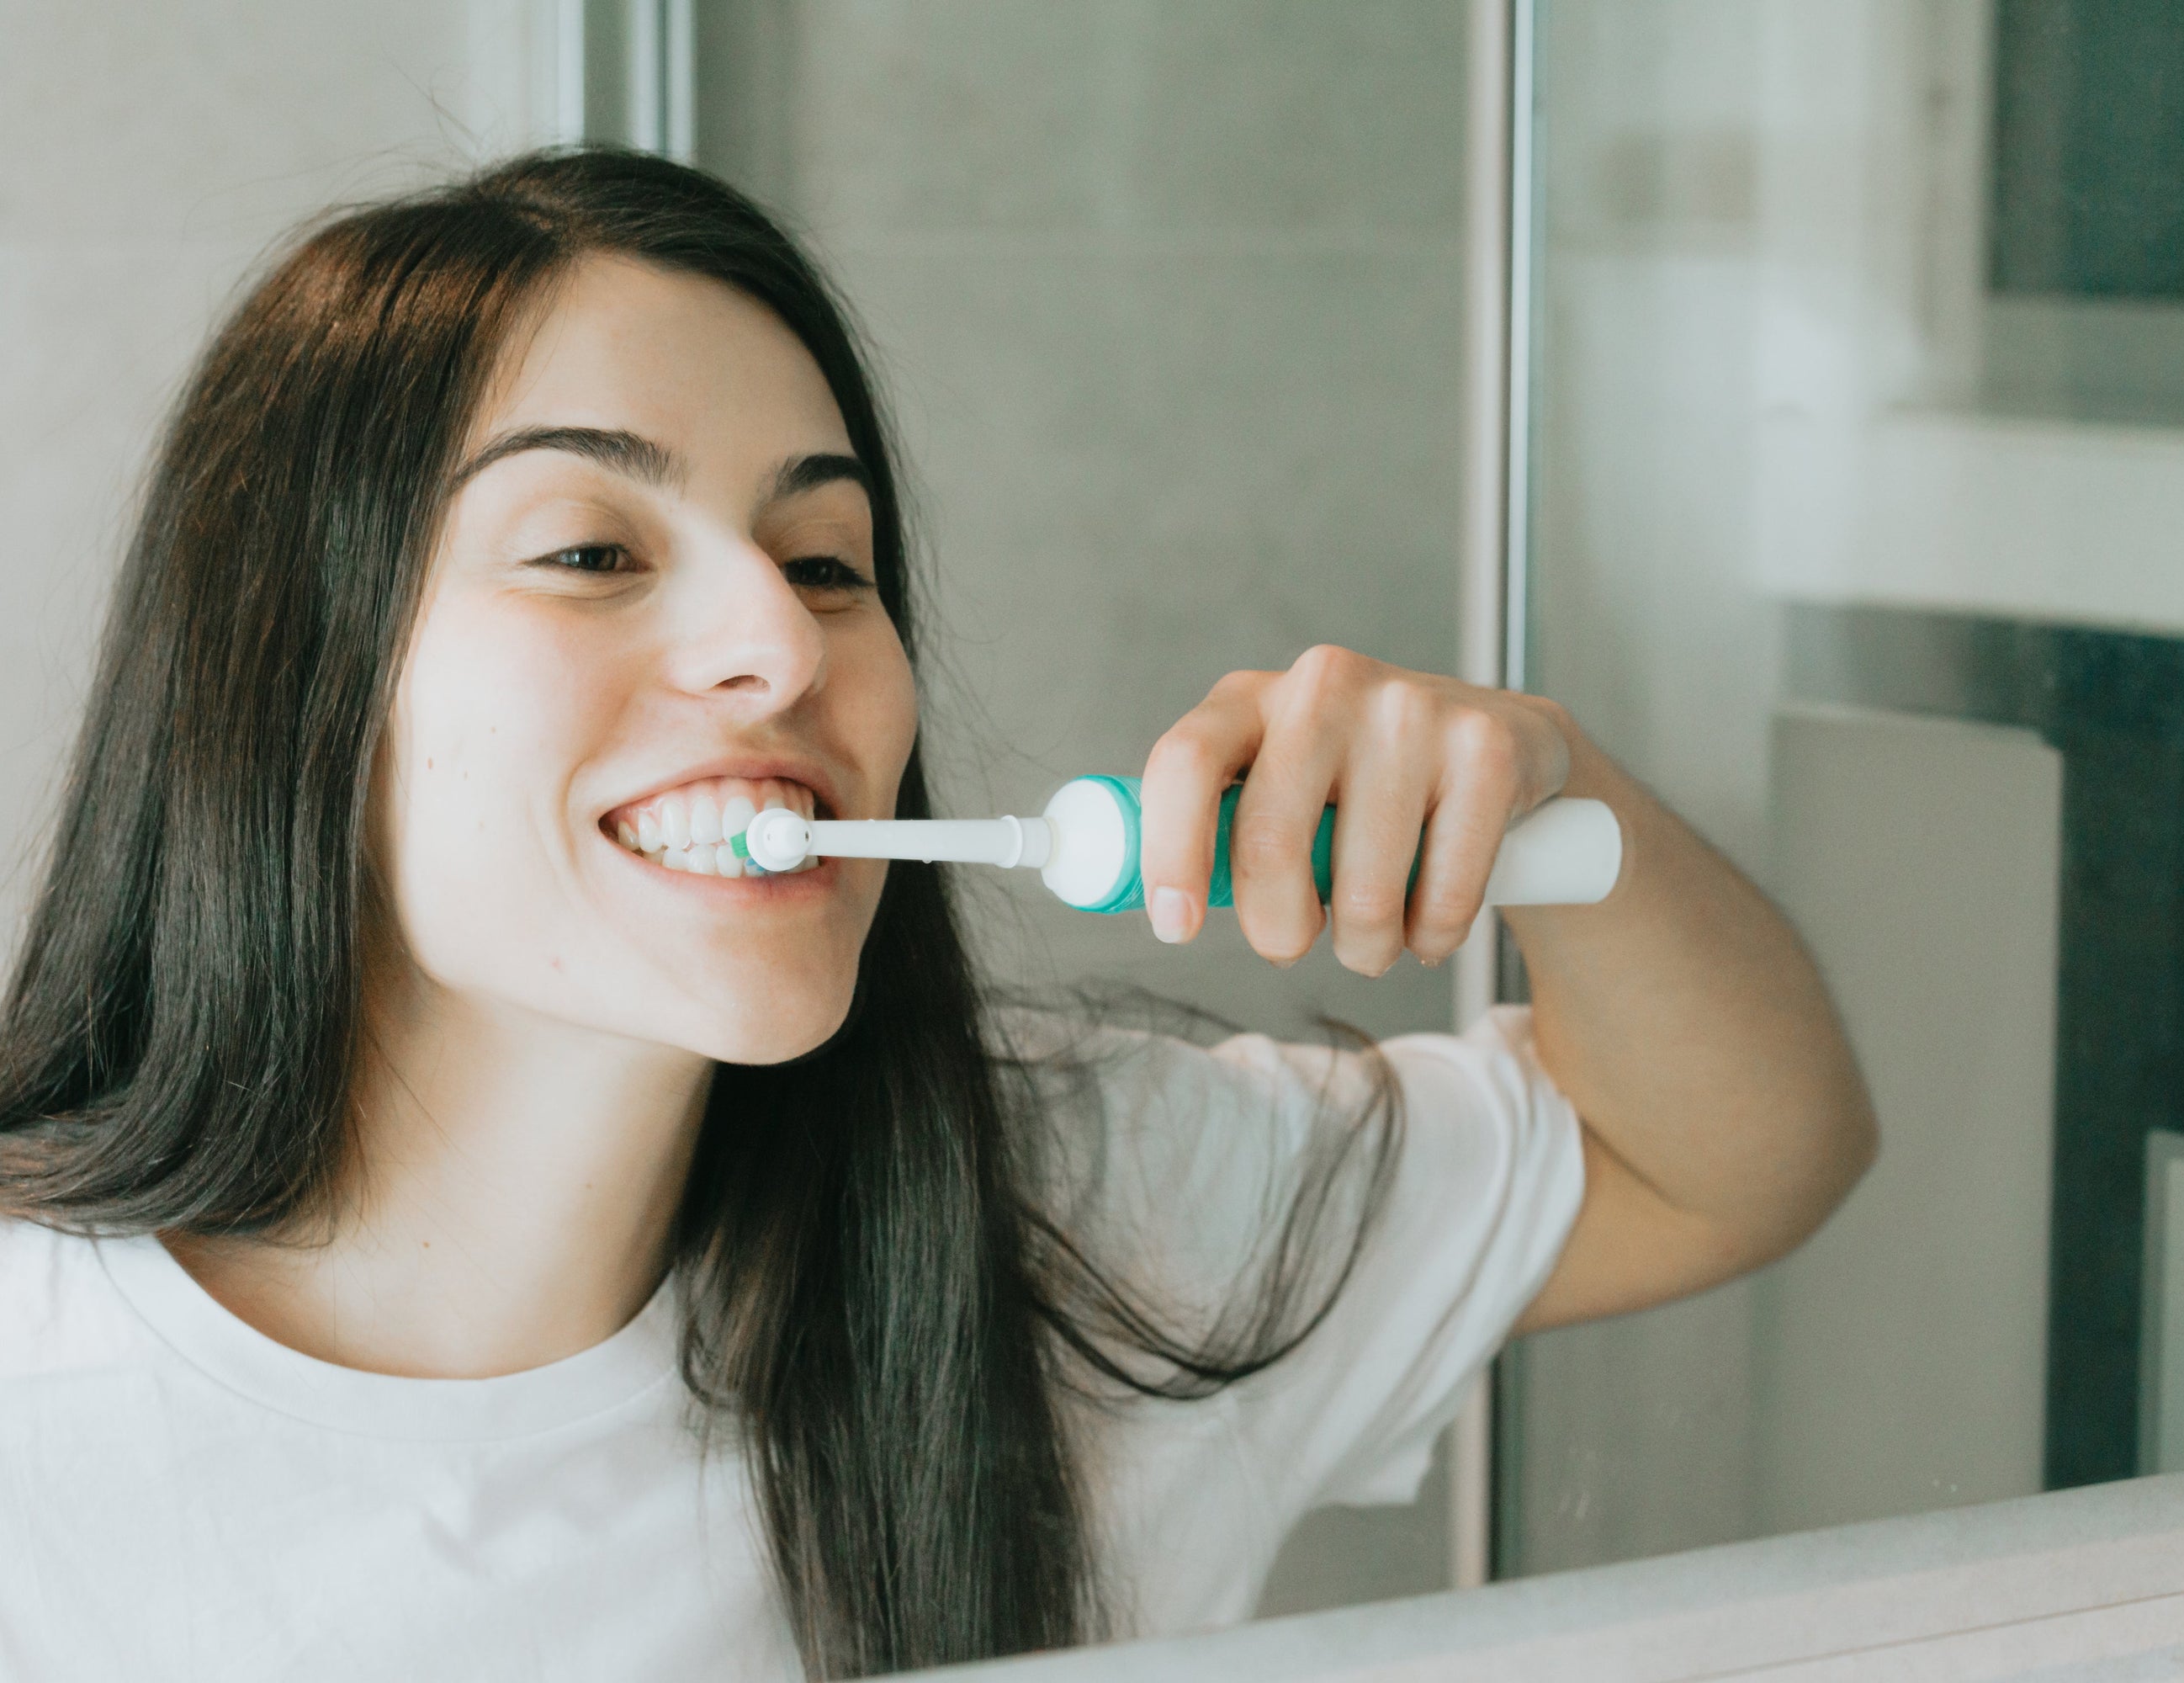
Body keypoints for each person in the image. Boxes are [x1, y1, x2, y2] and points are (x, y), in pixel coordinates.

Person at [0, 149, 1874, 1680]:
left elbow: (1742, 1155)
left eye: (830, 560)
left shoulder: (1074, 1219)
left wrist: (1553, 780)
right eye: (590, 551)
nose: (778, 639)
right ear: (290, 681)